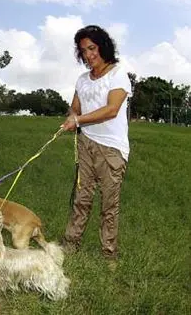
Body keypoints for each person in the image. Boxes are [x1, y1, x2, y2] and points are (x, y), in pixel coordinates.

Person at [60, 25, 131, 263]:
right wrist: (72, 117)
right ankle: (70, 245)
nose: (88, 55)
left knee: (109, 205)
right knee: (82, 198)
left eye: (92, 48)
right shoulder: (82, 80)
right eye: (83, 51)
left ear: (103, 46)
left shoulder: (117, 74)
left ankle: (108, 255)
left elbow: (111, 110)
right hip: (86, 144)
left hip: (111, 149)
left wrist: (78, 120)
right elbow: (75, 108)